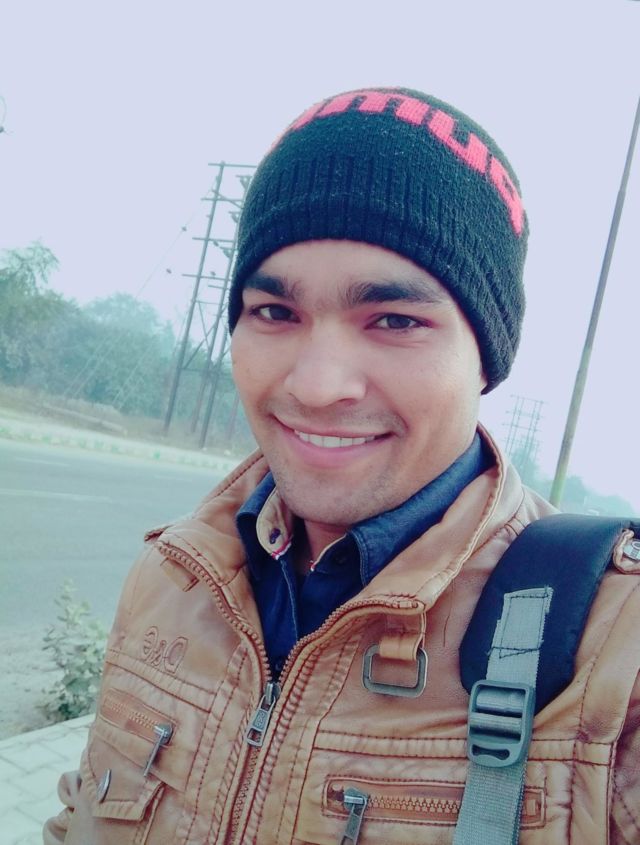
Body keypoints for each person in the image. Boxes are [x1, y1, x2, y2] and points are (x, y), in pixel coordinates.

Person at [45, 87, 640, 845]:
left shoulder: (610, 653)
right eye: (275, 313)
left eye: (394, 320)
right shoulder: (173, 577)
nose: (318, 385)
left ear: (485, 360)